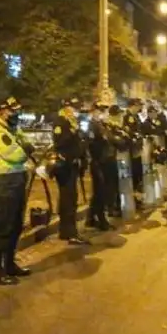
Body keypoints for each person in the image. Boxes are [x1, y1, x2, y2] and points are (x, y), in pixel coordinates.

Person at [0, 97, 36, 285]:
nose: (15, 114)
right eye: (12, 111)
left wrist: (24, 144)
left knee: (15, 225)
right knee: (3, 227)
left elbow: (30, 145)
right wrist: (25, 148)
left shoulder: (11, 129)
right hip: (5, 184)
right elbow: (18, 155)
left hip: (16, 182)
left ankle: (10, 265)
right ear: (1, 111)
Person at [52, 98, 90, 245]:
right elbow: (60, 142)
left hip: (72, 164)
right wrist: (73, 132)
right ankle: (70, 232)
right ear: (66, 107)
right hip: (64, 165)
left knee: (70, 198)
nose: (76, 111)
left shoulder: (72, 121)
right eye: (74, 108)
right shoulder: (60, 121)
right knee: (68, 199)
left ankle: (66, 231)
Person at [123, 99, 145, 200]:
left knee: (138, 173)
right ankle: (134, 198)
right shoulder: (127, 117)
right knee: (134, 173)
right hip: (132, 150)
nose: (139, 108)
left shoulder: (136, 116)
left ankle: (137, 196)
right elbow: (129, 132)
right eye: (138, 106)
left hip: (137, 149)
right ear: (132, 106)